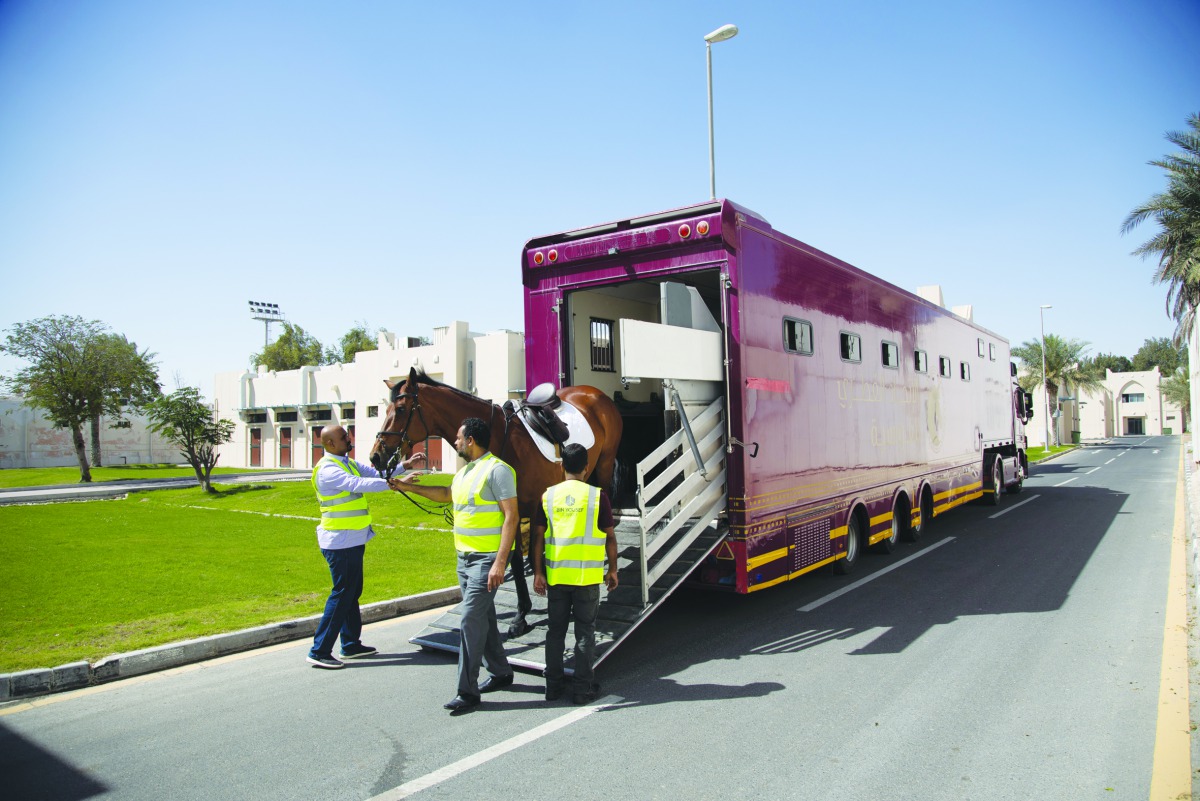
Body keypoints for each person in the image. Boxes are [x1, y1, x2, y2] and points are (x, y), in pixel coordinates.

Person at [396, 417, 518, 713]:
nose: (455, 442)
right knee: (483, 617)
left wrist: (500, 563)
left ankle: (467, 692)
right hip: (464, 558)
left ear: (471, 441)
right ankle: (501, 672)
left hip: (487, 560)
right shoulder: (465, 472)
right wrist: (406, 487)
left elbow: (511, 517)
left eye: (459, 438)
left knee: (469, 621)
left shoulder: (498, 470)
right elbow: (447, 495)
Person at [307, 425, 422, 669]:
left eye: (347, 436)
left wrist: (404, 466)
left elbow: (373, 475)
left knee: (351, 592)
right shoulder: (328, 469)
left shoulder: (346, 462)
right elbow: (359, 484)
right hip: (340, 541)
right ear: (329, 444)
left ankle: (350, 644)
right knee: (342, 594)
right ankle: (319, 650)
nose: (348, 439)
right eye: (342, 437)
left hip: (352, 539)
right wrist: (397, 484)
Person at [532, 443, 619, 704]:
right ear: (586, 467)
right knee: (585, 634)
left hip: (556, 578)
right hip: (587, 579)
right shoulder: (597, 496)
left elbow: (537, 538)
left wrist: (538, 573)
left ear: (561, 466)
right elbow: (610, 538)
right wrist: (613, 569)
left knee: (555, 632)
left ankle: (553, 687)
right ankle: (582, 690)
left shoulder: (547, 496)